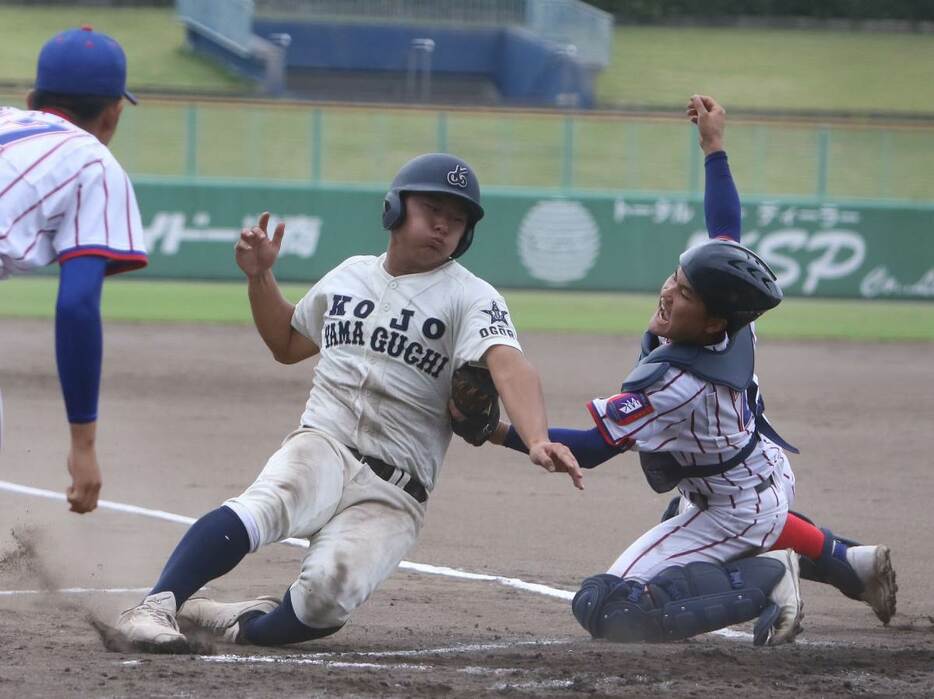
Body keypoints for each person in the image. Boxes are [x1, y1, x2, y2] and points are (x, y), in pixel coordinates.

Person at [466, 95, 895, 645]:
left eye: (685, 292)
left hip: (732, 504)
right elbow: (725, 230)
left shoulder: (674, 383)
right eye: (676, 276)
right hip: (757, 479)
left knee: (605, 608)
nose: (669, 291)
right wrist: (714, 146)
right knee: (689, 506)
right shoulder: (736, 319)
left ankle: (768, 579)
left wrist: (500, 431)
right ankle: (847, 562)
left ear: (712, 321)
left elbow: (593, 449)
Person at [113, 153, 582, 652]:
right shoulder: (349, 275)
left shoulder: (472, 297)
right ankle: (153, 606)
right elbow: (288, 344)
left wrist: (536, 437)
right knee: (266, 505)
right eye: (432, 208)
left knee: (324, 602)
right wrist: (260, 278)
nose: (444, 224)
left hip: (398, 490)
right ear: (395, 210)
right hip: (324, 442)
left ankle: (241, 622)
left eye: (459, 217)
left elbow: (509, 364)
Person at [0, 26, 147, 514]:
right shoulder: (93, 162)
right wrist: (83, 444)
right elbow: (78, 303)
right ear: (113, 114)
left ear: (30, 98)